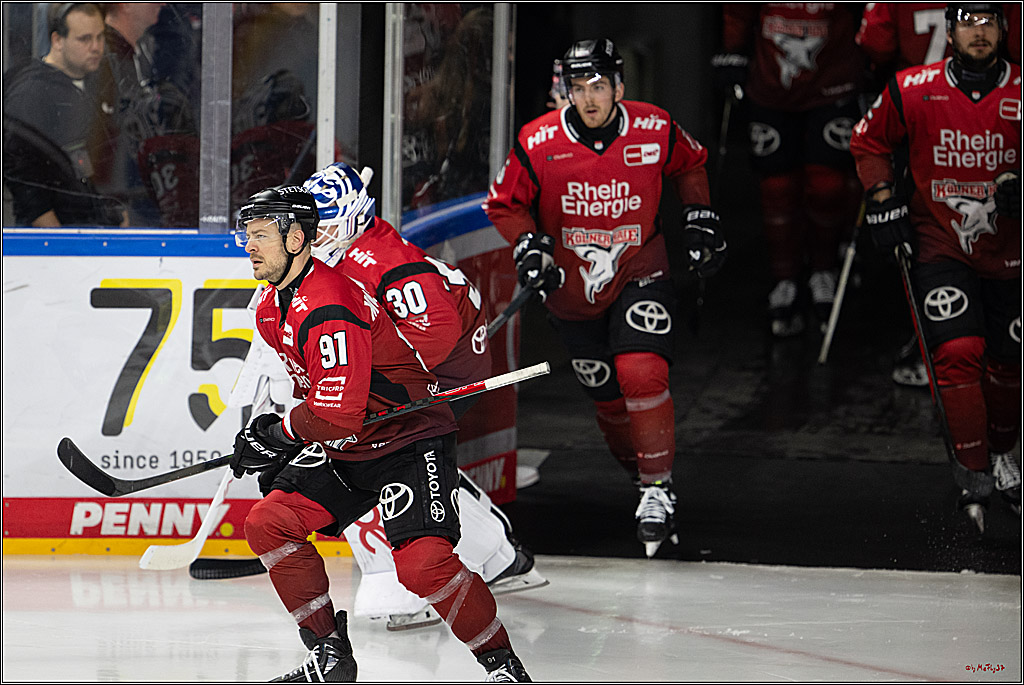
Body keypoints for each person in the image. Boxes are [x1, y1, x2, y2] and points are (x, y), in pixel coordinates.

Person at [231, 185, 532, 681]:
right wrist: (274, 438)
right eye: (248, 234)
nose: (249, 245)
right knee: (269, 522)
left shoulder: (328, 304)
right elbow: (322, 399)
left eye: (261, 235)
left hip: (407, 439)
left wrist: (279, 434)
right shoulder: (271, 306)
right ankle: (329, 657)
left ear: (296, 239)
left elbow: (336, 413)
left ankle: (503, 666)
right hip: (349, 446)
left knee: (423, 565)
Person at [484, 38, 727, 557]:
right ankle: (644, 478)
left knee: (642, 371)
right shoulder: (538, 139)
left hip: (642, 269)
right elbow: (504, 204)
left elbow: (691, 163)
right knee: (610, 402)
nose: (589, 98)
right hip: (571, 292)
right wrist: (530, 244)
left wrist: (700, 215)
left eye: (598, 86)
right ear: (565, 92)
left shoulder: (654, 126)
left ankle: (657, 490)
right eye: (578, 88)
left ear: (619, 85)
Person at [849, 3, 1021, 533]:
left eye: (989, 22)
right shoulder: (912, 87)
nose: (979, 32)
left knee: (1008, 365)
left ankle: (1002, 454)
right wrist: (882, 196)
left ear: (1005, 29)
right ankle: (972, 474)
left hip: (1010, 254)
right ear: (950, 31)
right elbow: (868, 140)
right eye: (968, 22)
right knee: (956, 350)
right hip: (939, 243)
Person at [712, 3, 866, 337]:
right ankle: (785, 278)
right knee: (777, 186)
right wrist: (732, 51)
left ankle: (823, 270)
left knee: (828, 184)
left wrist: (874, 57)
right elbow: (737, 12)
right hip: (771, 90)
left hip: (833, 86)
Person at [2, 2, 126, 228]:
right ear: (57, 40)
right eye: (85, 39)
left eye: (100, 37)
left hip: (86, 230)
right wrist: (57, 236)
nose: (96, 47)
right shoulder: (30, 92)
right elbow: (19, 173)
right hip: (52, 246)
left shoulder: (92, 82)